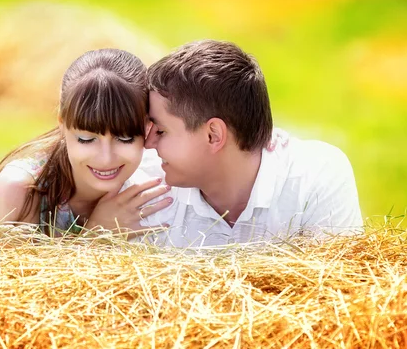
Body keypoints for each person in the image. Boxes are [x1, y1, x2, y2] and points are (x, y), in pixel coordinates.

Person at [139, 40, 363, 247]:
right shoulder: (143, 189)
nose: (148, 143)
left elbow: (341, 286)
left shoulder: (316, 179)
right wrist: (104, 228)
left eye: (161, 130)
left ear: (213, 135)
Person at [0, 48, 173, 237]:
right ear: (62, 125)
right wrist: (96, 234)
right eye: (86, 139)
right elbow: (21, 277)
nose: (106, 158)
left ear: (147, 127)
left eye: (125, 139)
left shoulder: (156, 178)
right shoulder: (20, 189)